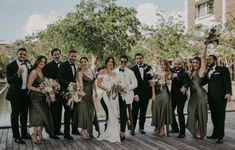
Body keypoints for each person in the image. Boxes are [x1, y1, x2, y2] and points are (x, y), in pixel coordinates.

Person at [27, 55, 59, 144]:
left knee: (44, 115)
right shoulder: (33, 72)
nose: (42, 63)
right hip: (35, 98)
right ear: (37, 61)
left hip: (43, 98)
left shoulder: (43, 73)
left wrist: (52, 87)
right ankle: (34, 134)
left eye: (44, 62)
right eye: (41, 61)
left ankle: (40, 134)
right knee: (38, 116)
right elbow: (28, 86)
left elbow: (47, 84)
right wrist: (40, 90)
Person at [5, 48, 31, 144]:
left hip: (25, 94)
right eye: (20, 54)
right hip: (15, 94)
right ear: (17, 54)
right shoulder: (10, 66)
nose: (22, 56)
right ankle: (16, 136)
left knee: (24, 115)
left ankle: (24, 133)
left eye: (24, 54)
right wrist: (18, 73)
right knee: (15, 115)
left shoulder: (28, 63)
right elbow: (9, 81)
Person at [205, 54, 232, 144]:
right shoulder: (208, 71)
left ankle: (220, 136)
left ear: (215, 60)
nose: (208, 61)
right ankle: (215, 134)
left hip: (221, 97)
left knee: (220, 117)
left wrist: (228, 93)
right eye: (207, 60)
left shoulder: (223, 69)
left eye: (210, 60)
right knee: (214, 116)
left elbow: (227, 81)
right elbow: (202, 82)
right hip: (211, 98)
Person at [186, 42, 208, 139]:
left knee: (200, 113)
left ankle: (199, 130)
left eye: (197, 62)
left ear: (200, 64)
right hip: (193, 95)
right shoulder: (191, 72)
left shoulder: (201, 71)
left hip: (201, 95)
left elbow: (203, 58)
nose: (195, 64)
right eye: (193, 62)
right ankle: (194, 129)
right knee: (191, 112)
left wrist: (205, 46)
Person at [73, 57, 98, 139]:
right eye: (82, 62)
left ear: (88, 62)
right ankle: (83, 131)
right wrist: (81, 93)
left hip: (91, 95)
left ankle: (88, 131)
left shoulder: (91, 71)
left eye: (85, 61)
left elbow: (94, 82)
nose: (83, 63)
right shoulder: (80, 73)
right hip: (84, 94)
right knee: (85, 113)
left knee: (91, 112)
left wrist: (96, 92)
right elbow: (80, 84)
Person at [97, 57, 120, 143]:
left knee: (115, 114)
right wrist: (106, 89)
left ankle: (114, 134)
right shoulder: (102, 71)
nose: (110, 63)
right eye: (109, 61)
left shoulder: (114, 73)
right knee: (110, 113)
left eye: (112, 62)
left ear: (113, 63)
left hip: (114, 95)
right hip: (106, 94)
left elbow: (116, 84)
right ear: (106, 62)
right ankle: (110, 134)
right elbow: (98, 84)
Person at [115, 55, 138, 141]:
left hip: (126, 95)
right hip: (116, 95)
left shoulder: (130, 72)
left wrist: (126, 88)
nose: (123, 63)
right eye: (121, 61)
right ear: (119, 62)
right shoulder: (115, 71)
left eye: (125, 62)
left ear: (127, 62)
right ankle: (113, 130)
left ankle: (122, 132)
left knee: (122, 111)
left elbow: (135, 83)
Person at [58, 49, 78, 140]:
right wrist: (70, 83)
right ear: (68, 55)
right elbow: (60, 79)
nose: (73, 58)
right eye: (72, 56)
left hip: (73, 92)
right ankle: (66, 133)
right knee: (68, 112)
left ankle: (74, 129)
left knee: (74, 111)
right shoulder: (63, 65)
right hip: (65, 92)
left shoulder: (74, 65)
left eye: (75, 56)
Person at [131, 53, 152, 135]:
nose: (139, 60)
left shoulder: (148, 68)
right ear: (135, 59)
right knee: (134, 112)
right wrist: (134, 94)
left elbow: (151, 80)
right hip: (136, 95)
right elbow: (131, 83)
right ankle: (132, 129)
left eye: (140, 58)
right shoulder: (132, 69)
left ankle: (141, 128)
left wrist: (150, 94)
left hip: (146, 94)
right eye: (137, 58)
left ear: (143, 58)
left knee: (143, 112)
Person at [44, 48, 63, 136]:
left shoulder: (64, 65)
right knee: (52, 112)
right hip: (52, 93)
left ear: (60, 54)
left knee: (59, 111)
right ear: (52, 55)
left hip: (62, 92)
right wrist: (52, 86)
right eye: (55, 54)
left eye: (58, 54)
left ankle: (58, 129)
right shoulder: (48, 65)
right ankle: (52, 131)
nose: (57, 56)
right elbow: (46, 78)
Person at [151, 60, 172, 136]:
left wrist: (166, 79)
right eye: (161, 64)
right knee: (155, 109)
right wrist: (153, 95)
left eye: (164, 65)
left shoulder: (169, 73)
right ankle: (157, 127)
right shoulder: (156, 74)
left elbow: (169, 83)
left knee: (163, 110)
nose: (163, 66)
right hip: (157, 94)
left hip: (164, 93)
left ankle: (162, 128)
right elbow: (152, 84)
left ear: (167, 66)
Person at [170, 59, 190, 138]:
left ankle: (182, 132)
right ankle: (175, 128)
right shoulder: (172, 70)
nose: (177, 65)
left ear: (182, 64)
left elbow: (187, 81)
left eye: (179, 64)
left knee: (179, 112)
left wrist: (185, 87)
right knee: (170, 111)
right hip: (173, 96)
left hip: (181, 96)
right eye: (176, 64)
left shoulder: (184, 73)